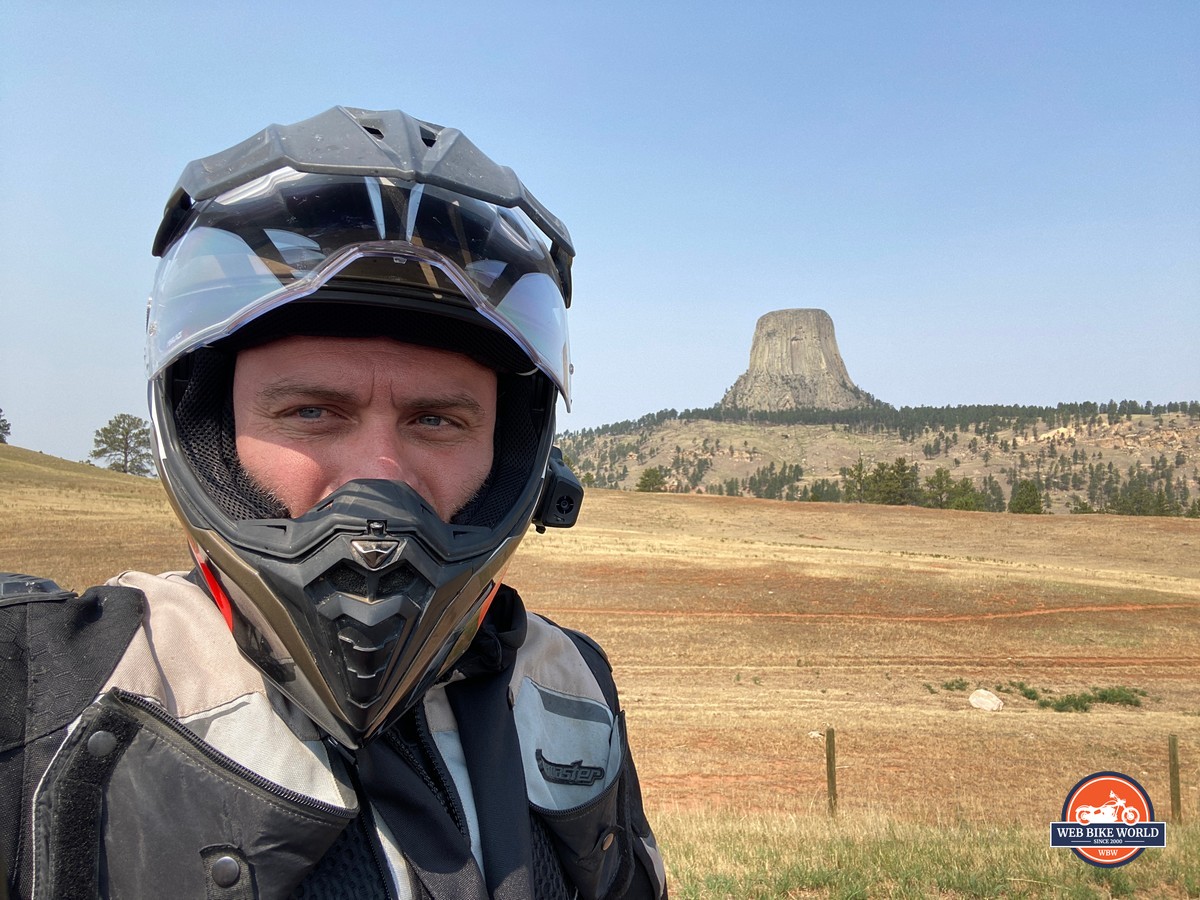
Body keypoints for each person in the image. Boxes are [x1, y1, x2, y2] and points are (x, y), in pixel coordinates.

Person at [1, 106, 667, 900]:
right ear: (211, 435)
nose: (378, 478)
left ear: (512, 457)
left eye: (436, 420)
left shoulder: (570, 688)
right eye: (312, 412)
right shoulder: (43, 696)